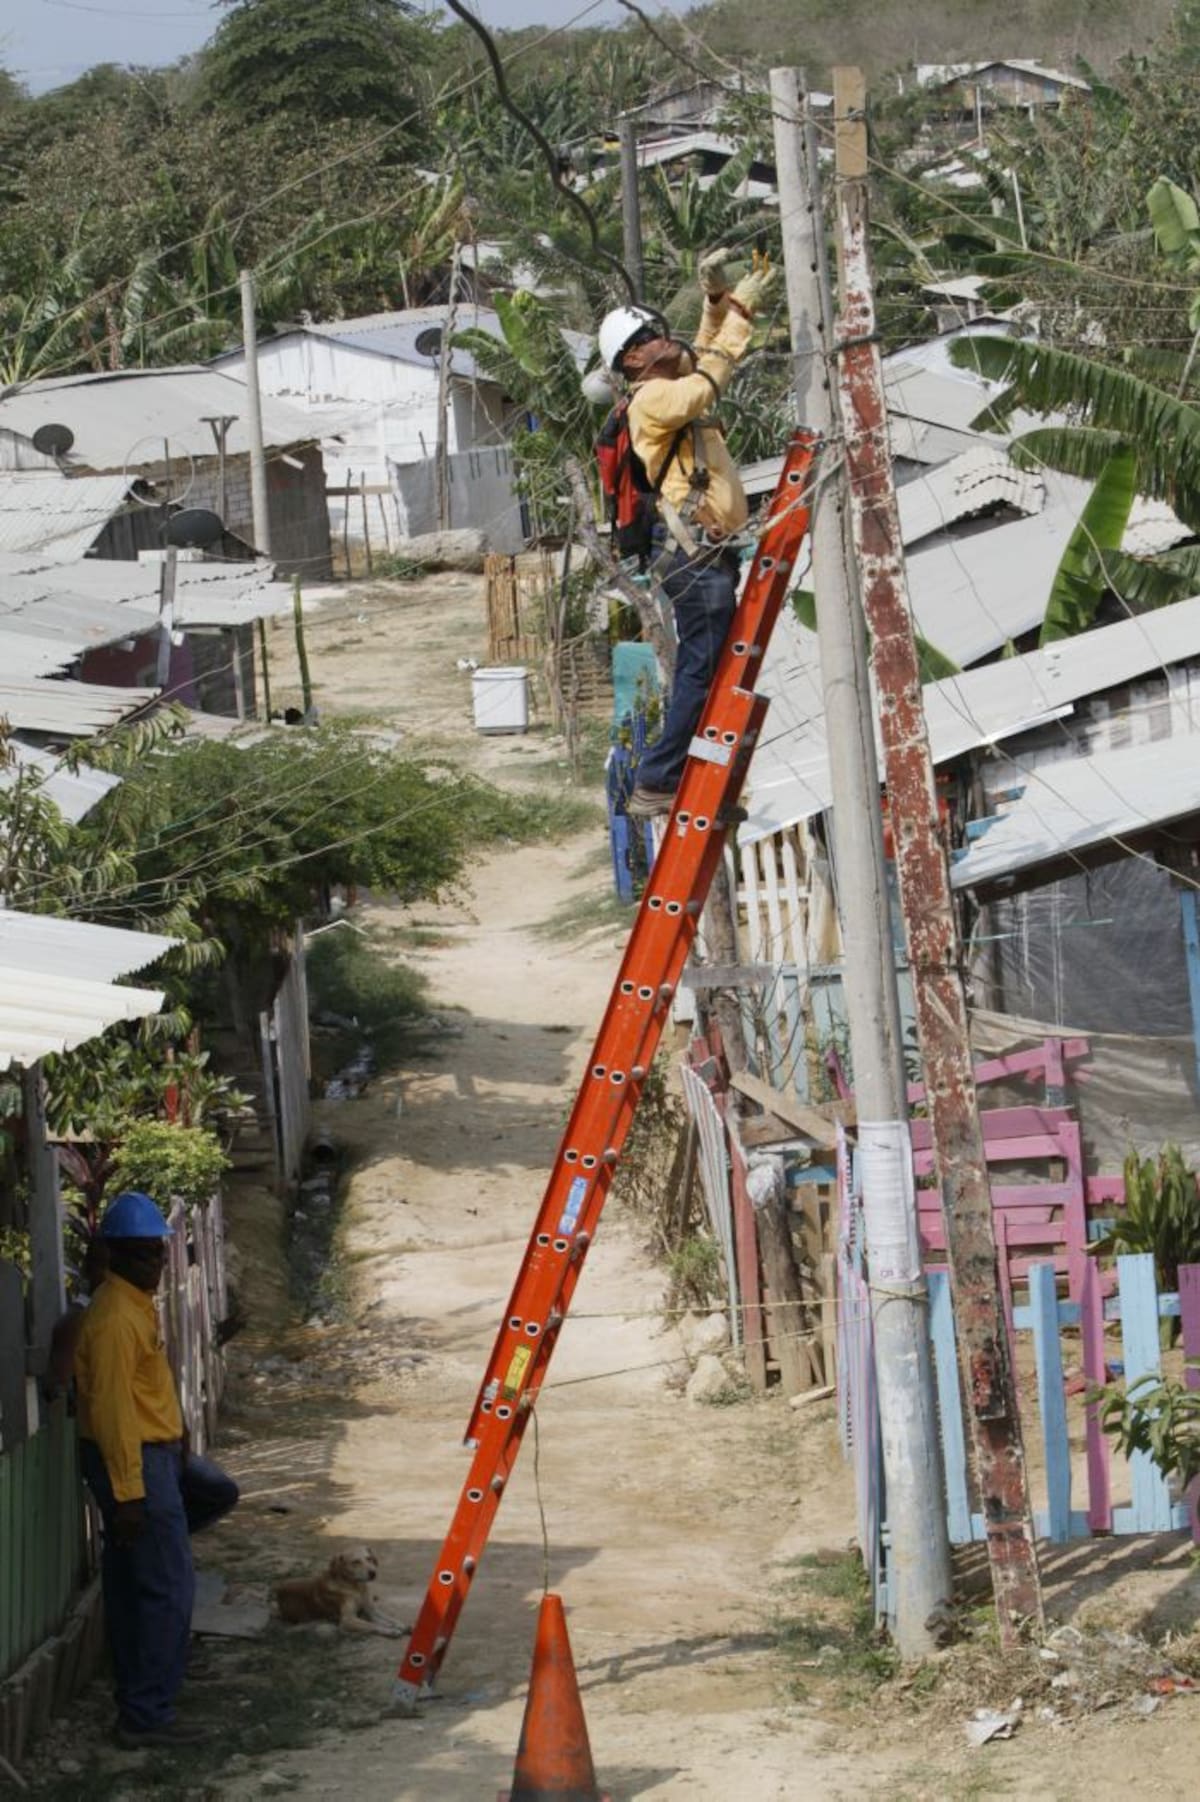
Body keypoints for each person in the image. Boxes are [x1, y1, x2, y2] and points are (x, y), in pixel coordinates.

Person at [596, 250, 779, 816]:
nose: (663, 336)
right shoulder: (652, 399)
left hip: (707, 557)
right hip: (694, 559)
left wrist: (717, 303)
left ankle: (702, 782)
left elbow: (694, 354)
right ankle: (658, 778)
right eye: (651, 335)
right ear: (631, 359)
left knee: (716, 673)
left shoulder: (662, 383)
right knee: (701, 673)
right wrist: (741, 315)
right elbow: (704, 381)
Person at [75, 1190, 237, 1748]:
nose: (158, 1267)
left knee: (212, 1498)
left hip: (160, 1454)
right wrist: (129, 1496)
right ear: (116, 1255)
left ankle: (151, 1671)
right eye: (145, 1256)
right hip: (136, 1461)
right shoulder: (116, 1317)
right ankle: (146, 1713)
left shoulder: (134, 1302)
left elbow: (148, 1388)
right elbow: (113, 1411)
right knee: (168, 1584)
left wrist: (180, 1434)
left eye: (160, 1255)